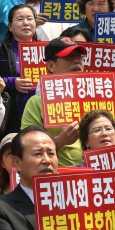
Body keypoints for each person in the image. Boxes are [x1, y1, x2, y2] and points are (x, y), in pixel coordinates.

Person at [0, 127, 115, 230]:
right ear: (17, 163)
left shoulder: (77, 203)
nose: (47, 160)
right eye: (38, 154)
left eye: (51, 153)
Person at [21, 37, 88, 166]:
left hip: (95, 173)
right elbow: (27, 147)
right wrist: (59, 141)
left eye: (79, 57)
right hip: (57, 175)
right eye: (68, 56)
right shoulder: (36, 103)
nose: (76, 61)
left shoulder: (97, 98)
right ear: (51, 65)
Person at [0, 4, 38, 154]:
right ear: (10, 27)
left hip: (39, 119)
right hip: (11, 119)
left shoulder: (45, 50)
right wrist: (11, 82)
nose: (26, 23)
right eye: (20, 19)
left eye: (29, 19)